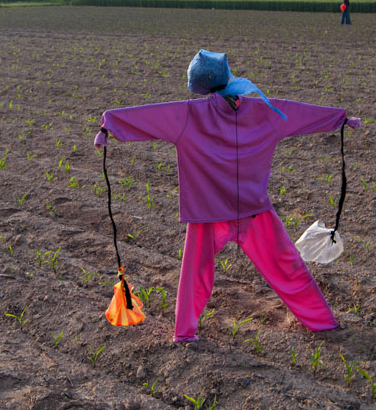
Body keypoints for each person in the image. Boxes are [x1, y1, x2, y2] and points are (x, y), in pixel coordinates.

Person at [94, 49, 361, 342]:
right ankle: (323, 323)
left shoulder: (187, 115)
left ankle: (184, 334)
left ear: (197, 85)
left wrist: (109, 126)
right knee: (289, 269)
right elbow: (298, 113)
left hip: (209, 215)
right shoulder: (264, 111)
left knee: (194, 278)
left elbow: (150, 116)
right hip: (254, 211)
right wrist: (340, 119)